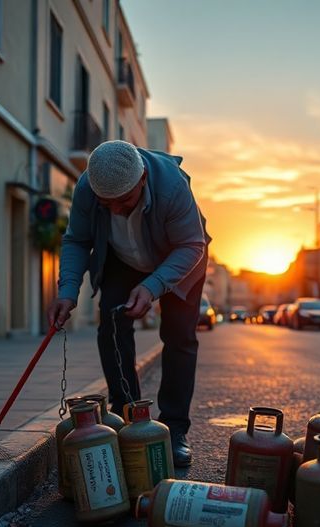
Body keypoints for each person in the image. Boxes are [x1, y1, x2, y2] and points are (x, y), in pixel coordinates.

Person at [47, 140, 210, 467]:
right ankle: (129, 422)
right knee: (111, 327)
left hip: (178, 256)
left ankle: (175, 431)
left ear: (143, 179)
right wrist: (67, 290)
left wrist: (151, 288)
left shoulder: (172, 187)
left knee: (179, 338)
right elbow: (78, 240)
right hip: (122, 258)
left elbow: (192, 246)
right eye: (106, 204)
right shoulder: (87, 188)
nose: (116, 210)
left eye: (124, 201)